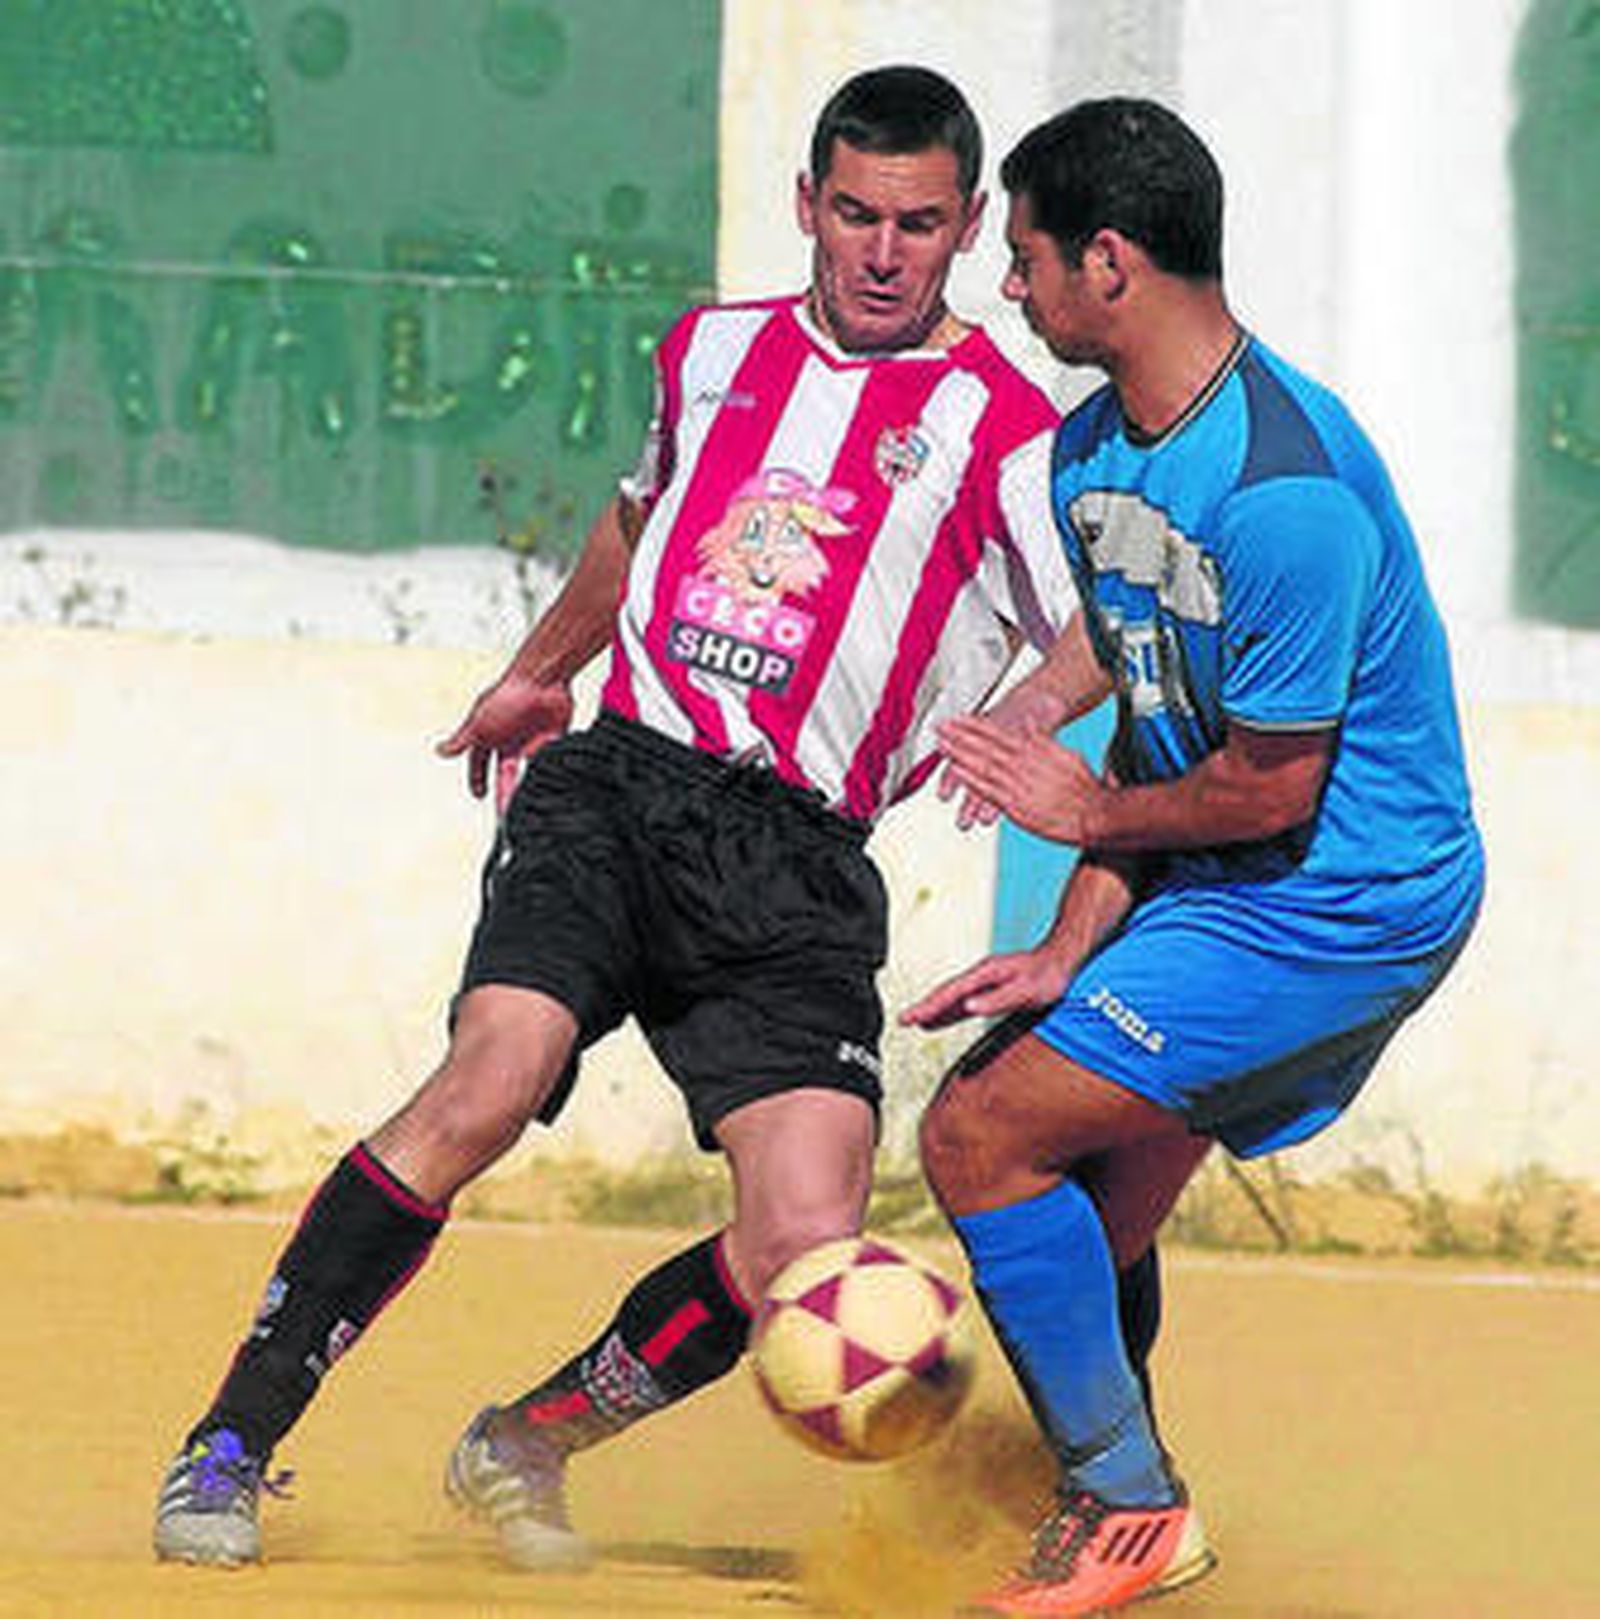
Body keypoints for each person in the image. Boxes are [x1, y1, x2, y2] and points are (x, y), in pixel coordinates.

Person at [152, 65, 1098, 1571]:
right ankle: (230, 1441)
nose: (878, 251)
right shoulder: (710, 351)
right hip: (622, 787)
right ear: (808, 203)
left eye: (917, 225)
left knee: (805, 1246)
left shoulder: (1009, 430)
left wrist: (1029, 724)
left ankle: (527, 1440)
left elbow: (1094, 629)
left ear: (969, 228)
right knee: (489, 1076)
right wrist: (541, 673)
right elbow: (638, 516)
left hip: (798, 862)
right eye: (853, 212)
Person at [902, 97, 1486, 1618]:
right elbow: (1141, 668)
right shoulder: (1091, 450)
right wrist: (1065, 937)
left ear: (1107, 260)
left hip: (1342, 904)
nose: (1005, 288)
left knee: (976, 1136)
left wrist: (1081, 824)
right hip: (1228, 883)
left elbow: (1265, 788)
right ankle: (1085, 1484)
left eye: (1022, 258)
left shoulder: (1288, 491)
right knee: (1080, 1200)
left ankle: (1126, 1508)